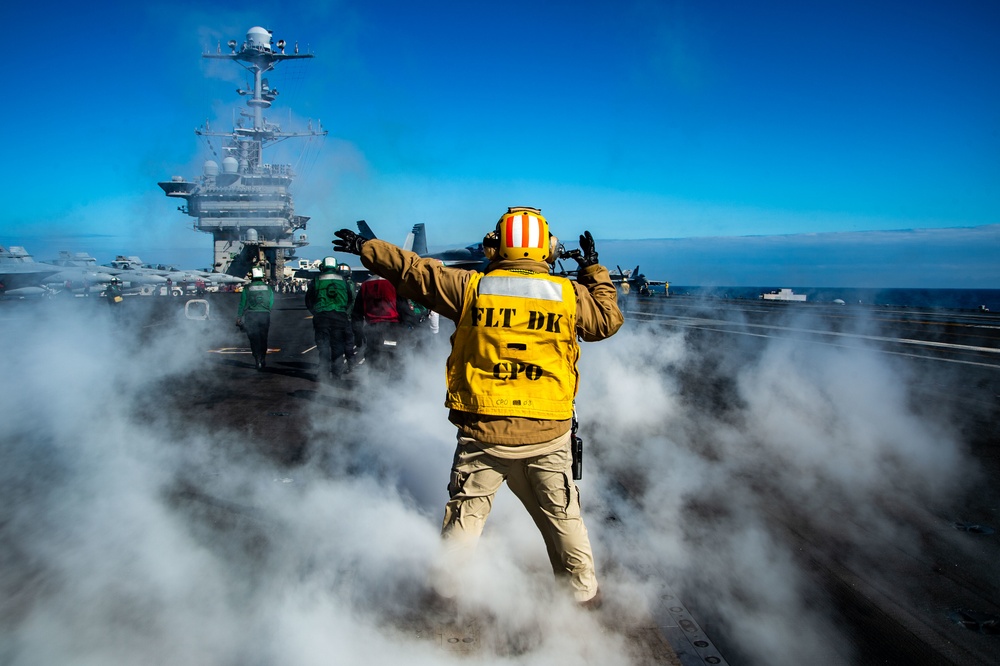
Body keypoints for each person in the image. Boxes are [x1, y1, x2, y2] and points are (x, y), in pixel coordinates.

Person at [333, 206, 623, 608]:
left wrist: (369, 248)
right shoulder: (569, 295)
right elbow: (607, 321)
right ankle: (582, 595)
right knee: (564, 519)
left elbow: (415, 271)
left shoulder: (472, 287)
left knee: (465, 518)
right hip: (548, 433)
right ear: (548, 249)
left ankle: (444, 592)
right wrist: (592, 270)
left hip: (482, 433)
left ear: (496, 244)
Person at [305, 257, 356, 381]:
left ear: (322, 267)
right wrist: (342, 311)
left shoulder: (316, 280)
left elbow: (308, 300)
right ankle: (337, 376)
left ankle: (323, 374)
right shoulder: (343, 281)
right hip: (339, 318)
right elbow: (350, 299)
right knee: (338, 348)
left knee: (323, 348)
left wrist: (316, 312)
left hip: (321, 318)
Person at [236, 267, 274, 371]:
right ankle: (263, 358)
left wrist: (239, 317)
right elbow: (271, 301)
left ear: (252, 276)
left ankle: (257, 359)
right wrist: (267, 310)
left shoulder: (248, 288)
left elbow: (242, 303)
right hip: (265, 315)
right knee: (263, 338)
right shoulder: (268, 288)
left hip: (251, 316)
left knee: (254, 339)